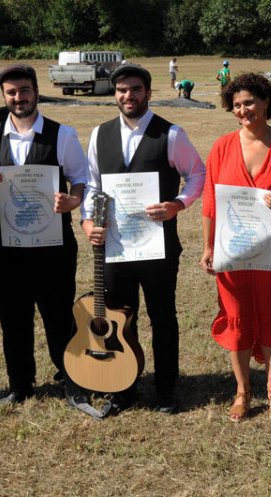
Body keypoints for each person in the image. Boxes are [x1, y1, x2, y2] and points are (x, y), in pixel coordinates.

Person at [0, 64, 95, 415]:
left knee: (57, 316)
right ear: (4, 96)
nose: (18, 98)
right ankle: (19, 385)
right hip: (5, 246)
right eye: (11, 92)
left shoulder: (61, 134)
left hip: (53, 245)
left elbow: (81, 178)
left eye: (24, 90)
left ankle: (72, 382)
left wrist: (73, 200)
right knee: (13, 317)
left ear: (36, 91)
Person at [82, 64, 205, 416]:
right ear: (114, 93)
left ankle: (166, 389)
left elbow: (197, 173)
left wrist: (178, 204)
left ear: (148, 93)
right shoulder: (99, 134)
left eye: (135, 89)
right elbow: (93, 185)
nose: (128, 96)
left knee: (162, 317)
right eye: (121, 89)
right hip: (115, 246)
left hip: (158, 246)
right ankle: (123, 388)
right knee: (120, 318)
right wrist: (87, 221)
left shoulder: (171, 133)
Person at [199, 73, 271, 421]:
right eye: (237, 104)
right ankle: (242, 392)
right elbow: (210, 201)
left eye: (250, 102)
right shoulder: (221, 147)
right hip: (232, 250)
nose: (244, 110)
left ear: (266, 103)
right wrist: (208, 247)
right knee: (237, 317)